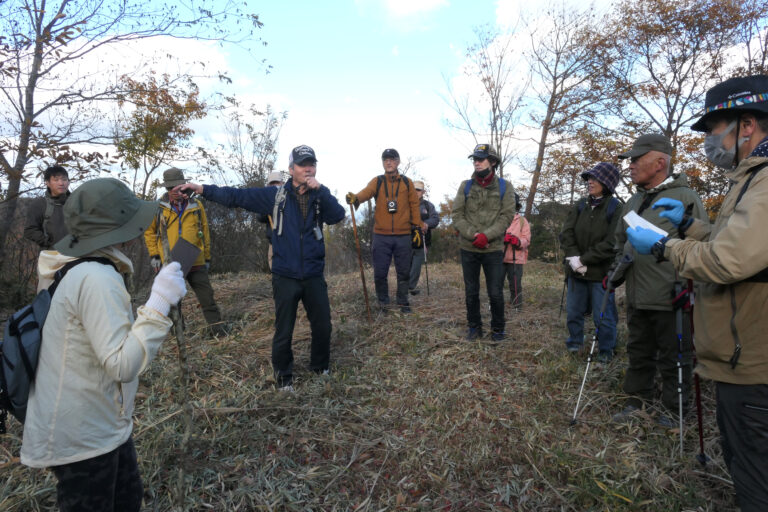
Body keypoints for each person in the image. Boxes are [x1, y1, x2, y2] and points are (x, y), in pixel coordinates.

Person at [625, 75, 768, 511]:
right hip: (739, 350)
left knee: (755, 471)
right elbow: (736, 241)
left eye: (712, 130)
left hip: (753, 358)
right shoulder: (749, 178)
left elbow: (728, 261)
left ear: (745, 126)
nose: (709, 142)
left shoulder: (765, 182)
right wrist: (692, 228)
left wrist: (667, 246)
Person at [21, 178, 187, 512]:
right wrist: (159, 302)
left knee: (127, 497)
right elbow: (122, 364)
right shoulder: (97, 278)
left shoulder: (76, 266)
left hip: (103, 423)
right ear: (118, 227)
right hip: (83, 433)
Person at [178, 145, 345, 391]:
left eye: (312, 164)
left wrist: (320, 192)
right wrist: (202, 189)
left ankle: (320, 368)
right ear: (291, 169)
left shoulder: (321, 194)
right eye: (302, 164)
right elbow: (237, 196)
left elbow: (337, 215)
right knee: (284, 329)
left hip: (313, 274)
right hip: (285, 275)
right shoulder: (275, 196)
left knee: (323, 326)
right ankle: (284, 378)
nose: (308, 168)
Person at [609, 134, 707, 426]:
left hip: (672, 297)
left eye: (637, 160)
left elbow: (703, 249)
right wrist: (613, 277)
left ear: (660, 162)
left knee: (675, 356)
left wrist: (693, 293)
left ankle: (673, 411)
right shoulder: (634, 200)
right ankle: (636, 402)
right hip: (638, 295)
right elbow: (619, 243)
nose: (631, 166)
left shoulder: (686, 198)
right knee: (638, 350)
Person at [144, 168, 226, 337]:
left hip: (196, 260)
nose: (174, 190)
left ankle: (218, 332)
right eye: (170, 187)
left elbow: (205, 231)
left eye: (177, 186)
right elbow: (150, 233)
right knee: (173, 303)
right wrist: (155, 257)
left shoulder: (196, 205)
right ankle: (178, 335)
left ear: (184, 185)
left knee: (207, 298)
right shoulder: (158, 207)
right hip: (170, 263)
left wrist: (207, 256)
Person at [451, 143, 516, 341]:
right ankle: (474, 327)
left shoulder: (505, 186)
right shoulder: (466, 186)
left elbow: (506, 217)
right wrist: (474, 235)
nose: (476, 163)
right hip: (468, 248)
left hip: (493, 249)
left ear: (493, 162)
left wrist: (486, 236)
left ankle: (498, 329)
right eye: (475, 159)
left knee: (495, 293)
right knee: (471, 292)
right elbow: (457, 214)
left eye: (481, 159)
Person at [558, 163, 621, 361]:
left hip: (600, 273)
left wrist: (585, 259)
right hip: (575, 270)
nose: (590, 182)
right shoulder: (580, 205)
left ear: (607, 183)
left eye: (595, 178)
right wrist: (574, 258)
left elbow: (612, 242)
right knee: (574, 312)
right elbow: (566, 233)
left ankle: (606, 350)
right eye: (589, 179)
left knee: (603, 316)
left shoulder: (616, 208)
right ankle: (575, 344)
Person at [345, 148, 421, 313]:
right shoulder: (377, 181)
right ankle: (383, 304)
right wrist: (356, 197)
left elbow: (414, 206)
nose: (388, 162)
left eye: (392, 159)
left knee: (404, 273)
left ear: (398, 161)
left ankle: (402, 302)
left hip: (403, 236)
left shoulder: (407, 183)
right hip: (381, 236)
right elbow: (367, 192)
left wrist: (416, 228)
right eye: (385, 159)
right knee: (380, 273)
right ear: (383, 162)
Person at [24, 165, 71, 250]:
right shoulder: (39, 204)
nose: (61, 183)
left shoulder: (78, 202)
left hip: (78, 255)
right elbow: (30, 230)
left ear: (68, 182)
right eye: (56, 180)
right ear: (47, 183)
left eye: (64, 179)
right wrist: (48, 242)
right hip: (51, 255)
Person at [408, 180, 440, 295]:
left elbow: (435, 219)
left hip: (422, 240)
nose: (416, 192)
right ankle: (405, 287)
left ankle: (410, 287)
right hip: (406, 239)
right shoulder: (405, 204)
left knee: (417, 265)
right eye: (414, 190)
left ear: (423, 192)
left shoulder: (428, 205)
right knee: (406, 264)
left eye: (418, 190)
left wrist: (426, 224)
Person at [503, 193, 531, 310]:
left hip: (516, 258)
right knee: (496, 284)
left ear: (516, 205)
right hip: (499, 257)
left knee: (515, 285)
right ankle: (495, 306)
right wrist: (502, 238)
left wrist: (517, 241)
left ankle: (517, 307)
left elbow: (527, 239)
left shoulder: (522, 221)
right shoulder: (498, 219)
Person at [260, 171, 284, 270]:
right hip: (273, 241)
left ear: (282, 183)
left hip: (286, 241)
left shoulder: (288, 197)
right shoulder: (266, 200)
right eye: (272, 183)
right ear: (268, 185)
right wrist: (266, 210)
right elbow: (260, 217)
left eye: (277, 183)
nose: (274, 185)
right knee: (273, 265)